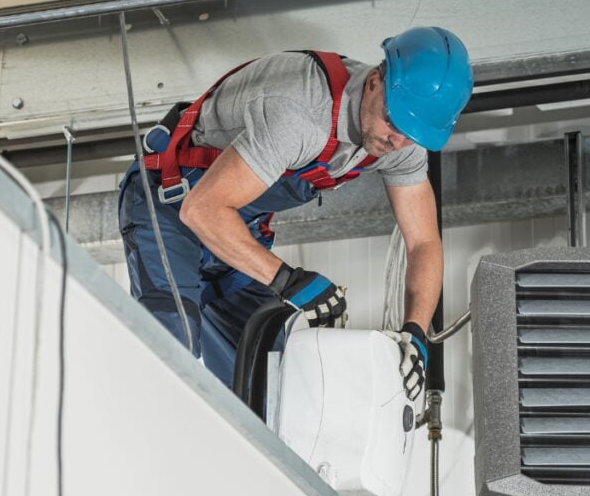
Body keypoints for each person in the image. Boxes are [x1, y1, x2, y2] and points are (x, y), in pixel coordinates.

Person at [117, 26, 473, 400]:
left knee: (273, 376)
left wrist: (416, 333)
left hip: (234, 223)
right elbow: (201, 210)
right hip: (171, 204)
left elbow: (424, 243)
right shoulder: (301, 111)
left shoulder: (402, 142)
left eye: (411, 134)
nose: (396, 141)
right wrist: (288, 281)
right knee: (174, 347)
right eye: (393, 121)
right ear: (374, 82)